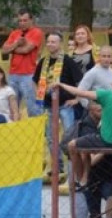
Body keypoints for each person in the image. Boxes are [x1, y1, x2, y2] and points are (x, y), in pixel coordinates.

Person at [56, 77, 112, 191]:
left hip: (106, 141)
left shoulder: (108, 95)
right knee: (86, 149)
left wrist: (61, 84)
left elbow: (80, 92)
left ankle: (81, 181)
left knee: (72, 145)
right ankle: (85, 178)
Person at [35, 32, 83, 168]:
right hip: (48, 105)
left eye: (53, 42)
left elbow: (81, 81)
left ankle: (71, 168)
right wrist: (38, 95)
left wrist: (77, 99)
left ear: (60, 44)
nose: (50, 44)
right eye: (48, 42)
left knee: (69, 136)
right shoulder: (43, 61)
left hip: (66, 105)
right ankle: (58, 167)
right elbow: (35, 80)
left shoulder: (68, 61)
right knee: (50, 138)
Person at [1, 10, 44, 117]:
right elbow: (3, 50)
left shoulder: (37, 32)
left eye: (25, 20)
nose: (22, 23)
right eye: (20, 21)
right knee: (11, 108)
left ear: (31, 20)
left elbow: (26, 50)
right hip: (13, 74)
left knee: (32, 108)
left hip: (29, 74)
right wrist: (16, 43)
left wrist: (12, 48)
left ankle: (36, 132)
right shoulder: (14, 33)